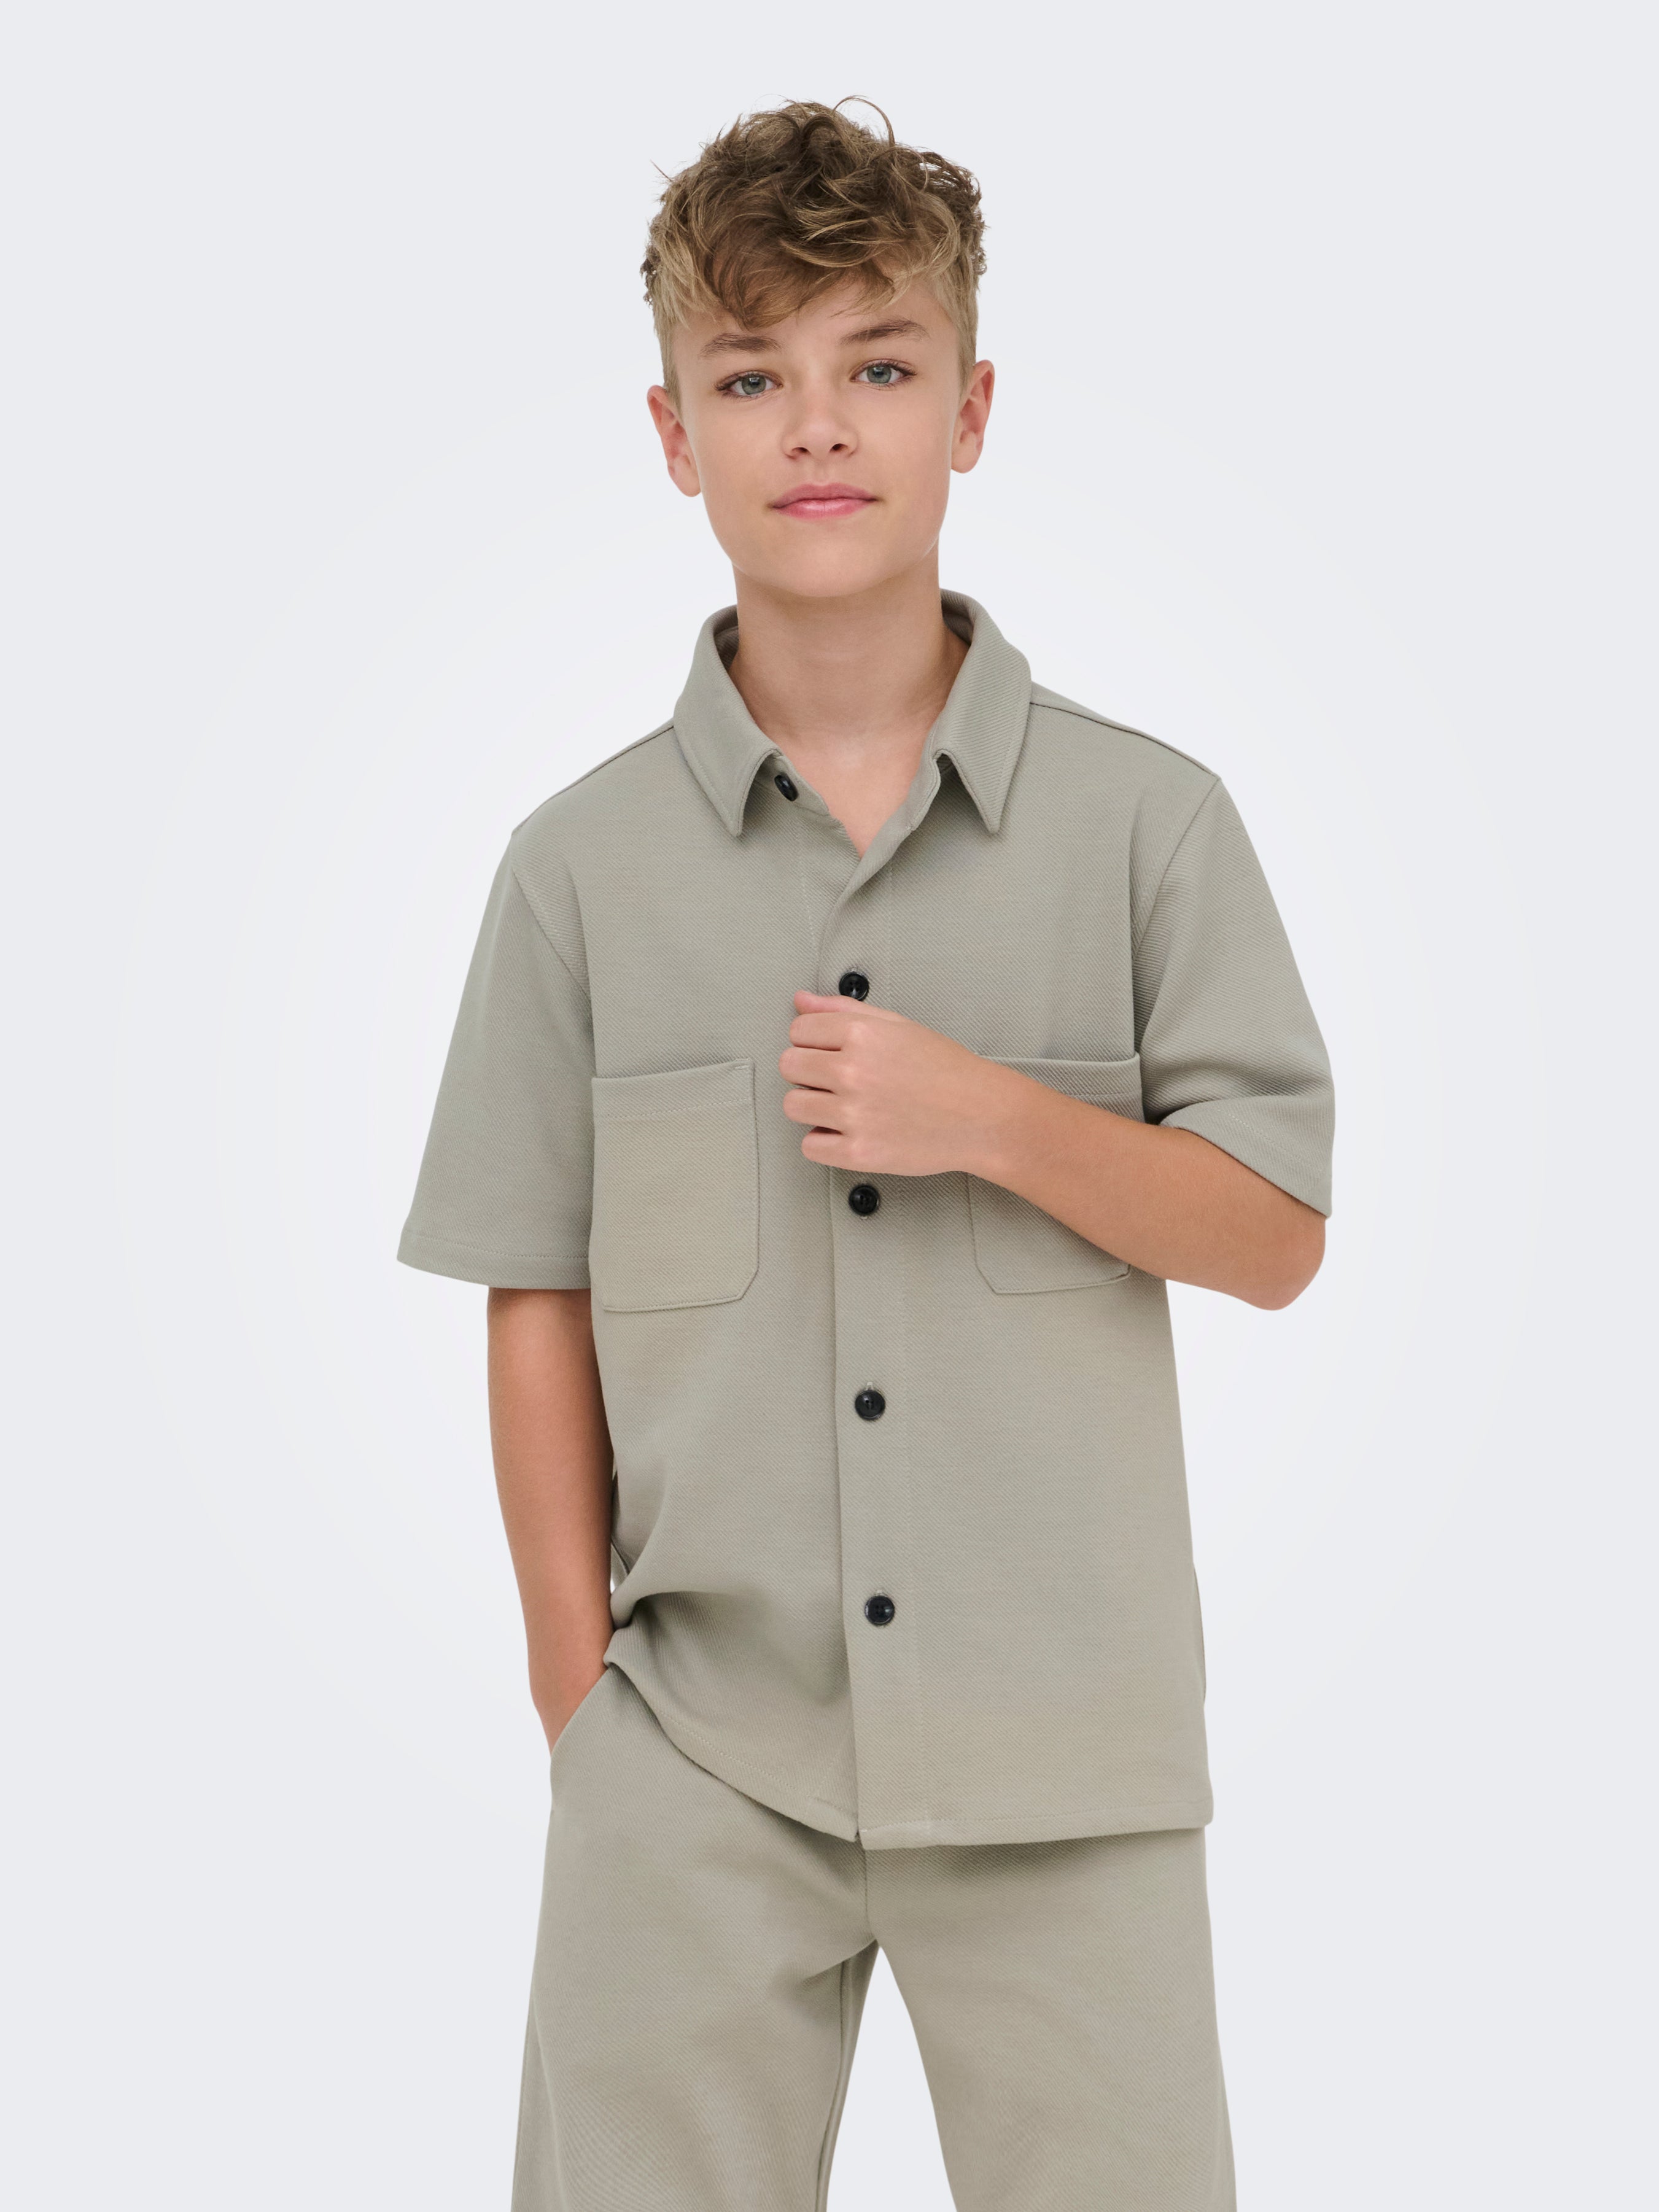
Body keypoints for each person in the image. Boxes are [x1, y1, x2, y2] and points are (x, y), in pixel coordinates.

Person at [397, 96, 1334, 2212]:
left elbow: (1275, 1232)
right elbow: (535, 1285)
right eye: (752, 378)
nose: (818, 426)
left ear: (971, 410)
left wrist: (992, 1118)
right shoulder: (575, 872)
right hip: (695, 1762)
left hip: (1070, 1759)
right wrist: (580, 1704)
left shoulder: (1148, 829)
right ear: (674, 435)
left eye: (879, 364)